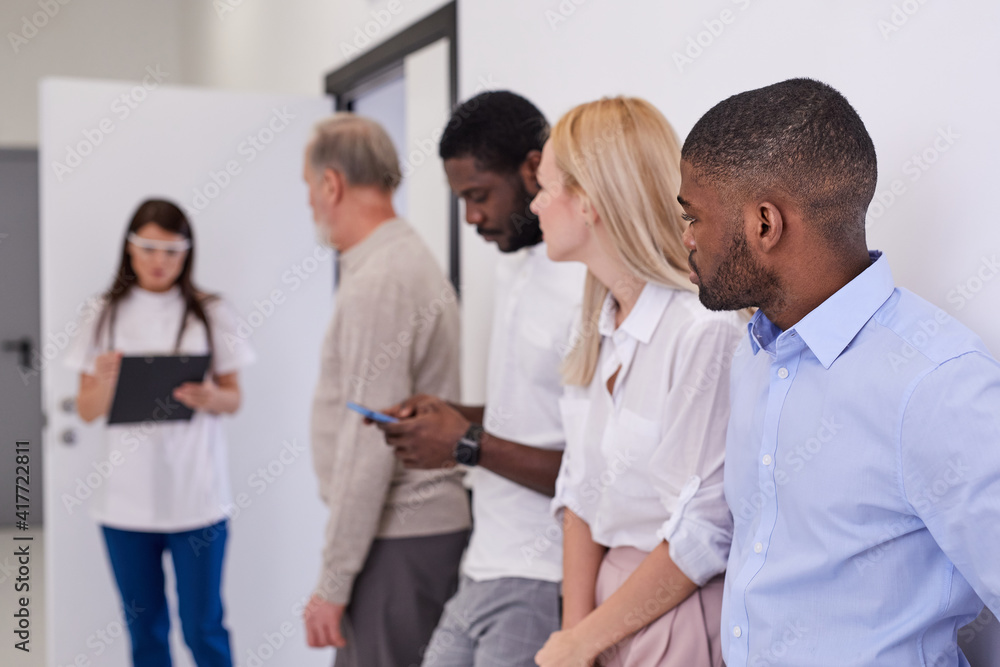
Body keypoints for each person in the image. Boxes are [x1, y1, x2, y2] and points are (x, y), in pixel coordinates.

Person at [678, 77, 1000, 666]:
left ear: (764, 224)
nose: (687, 239)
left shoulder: (939, 382)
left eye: (693, 216)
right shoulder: (752, 357)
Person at [374, 90, 586, 667]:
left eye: (479, 196)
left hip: (540, 574)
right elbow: (534, 419)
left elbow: (594, 471)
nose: (471, 218)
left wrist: (465, 444)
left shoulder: (585, 285)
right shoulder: (518, 268)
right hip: (483, 562)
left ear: (533, 167)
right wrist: (451, 417)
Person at [531, 97, 744, 667]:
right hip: (605, 613)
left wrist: (582, 641)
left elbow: (704, 530)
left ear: (590, 202)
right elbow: (579, 494)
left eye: (547, 187)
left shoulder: (704, 334)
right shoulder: (599, 330)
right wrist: (575, 636)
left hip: (676, 613)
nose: (536, 204)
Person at [299, 113, 471, 667]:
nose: (310, 205)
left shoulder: (383, 278)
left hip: (401, 536)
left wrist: (332, 580)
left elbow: (370, 437)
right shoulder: (384, 261)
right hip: (395, 537)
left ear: (331, 184)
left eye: (309, 189)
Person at [66, 198, 255, 667]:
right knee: (145, 630)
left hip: (198, 501)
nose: (158, 261)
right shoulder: (102, 313)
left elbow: (234, 398)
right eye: (148, 248)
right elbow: (86, 410)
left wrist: (210, 397)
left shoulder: (211, 312)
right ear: (129, 250)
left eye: (171, 251)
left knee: (203, 627)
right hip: (126, 508)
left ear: (187, 254)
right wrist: (109, 380)